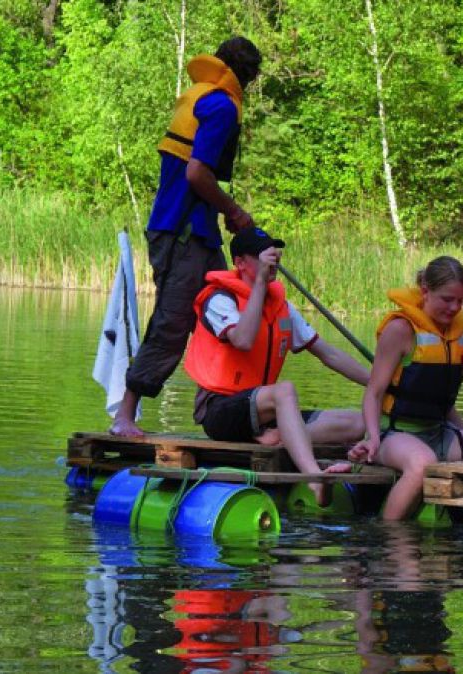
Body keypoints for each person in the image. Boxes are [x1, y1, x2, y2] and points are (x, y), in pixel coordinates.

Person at [110, 36, 263, 437]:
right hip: (183, 233)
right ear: (244, 76)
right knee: (173, 321)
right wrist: (233, 209)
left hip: (199, 233)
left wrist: (221, 213)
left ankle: (222, 411)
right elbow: (197, 173)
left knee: (222, 312)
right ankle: (124, 416)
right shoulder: (222, 105)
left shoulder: (203, 97)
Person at [183, 227, 369, 505]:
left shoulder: (281, 307)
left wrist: (379, 383)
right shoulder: (220, 299)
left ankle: (281, 436)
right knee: (284, 391)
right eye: (262, 254)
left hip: (265, 412)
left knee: (358, 422)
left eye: (274, 251)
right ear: (240, 262)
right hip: (220, 410)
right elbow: (243, 340)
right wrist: (259, 284)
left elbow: (328, 354)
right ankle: (314, 478)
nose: (273, 258)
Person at [350, 257, 463, 519]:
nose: (455, 307)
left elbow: (443, 401)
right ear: (425, 291)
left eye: (461, 301)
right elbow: (374, 393)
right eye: (447, 299)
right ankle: (387, 537)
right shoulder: (400, 329)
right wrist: (372, 438)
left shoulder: (454, 333)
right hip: (394, 434)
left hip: (438, 432)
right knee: (422, 464)